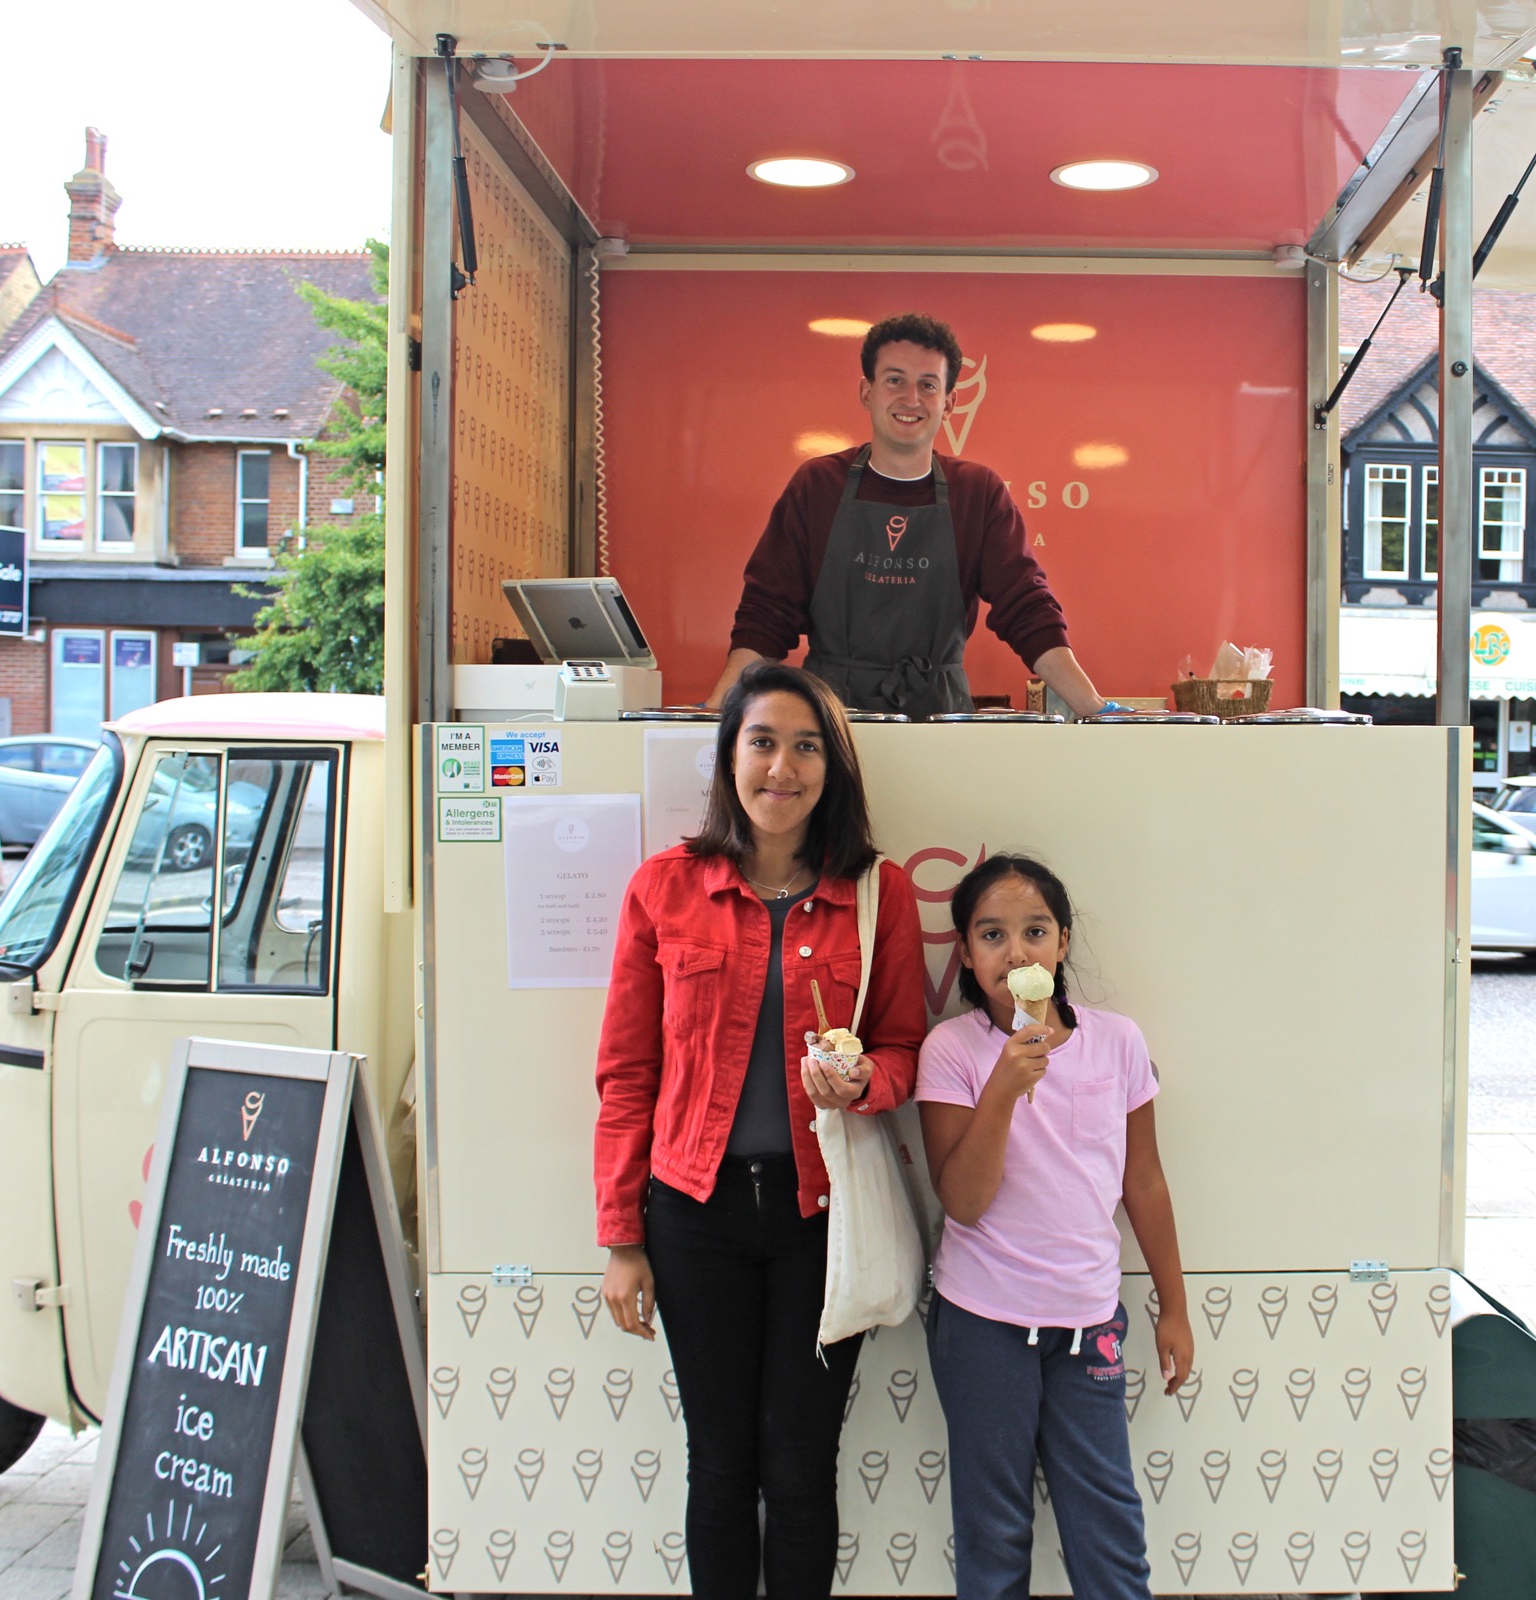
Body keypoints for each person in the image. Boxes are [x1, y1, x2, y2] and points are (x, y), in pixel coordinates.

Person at [594, 662, 927, 1600]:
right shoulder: (665, 889)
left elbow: (904, 1048)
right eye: (764, 742)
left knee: (801, 1462)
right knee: (720, 1463)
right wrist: (622, 1237)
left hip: (821, 1219)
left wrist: (864, 1081)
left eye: (807, 746)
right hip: (692, 1216)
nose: (783, 767)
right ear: (729, 756)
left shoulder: (878, 893)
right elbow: (625, 1076)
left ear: (834, 766)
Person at [914, 854, 1191, 1600]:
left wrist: (1175, 1306)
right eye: (993, 935)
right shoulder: (953, 1051)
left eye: (1035, 931)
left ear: (1062, 943)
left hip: (1089, 1319)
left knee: (1108, 1526)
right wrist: (1005, 1085)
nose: (1017, 953)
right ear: (967, 954)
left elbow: (1144, 1182)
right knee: (993, 1528)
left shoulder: (1118, 1042)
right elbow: (963, 1201)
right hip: (982, 1323)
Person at [708, 312, 1117, 718]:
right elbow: (766, 614)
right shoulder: (817, 486)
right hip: (831, 725)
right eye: (894, 380)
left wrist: (1096, 709)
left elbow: (1028, 610)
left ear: (949, 401)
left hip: (938, 722)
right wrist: (717, 708)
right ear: (866, 392)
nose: (911, 399)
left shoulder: (977, 493)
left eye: (928, 385)